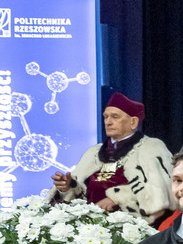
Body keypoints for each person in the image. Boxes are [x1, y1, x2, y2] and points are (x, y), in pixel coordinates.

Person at [48, 91, 174, 224]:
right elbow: (82, 194)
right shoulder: (94, 152)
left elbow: (161, 191)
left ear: (133, 122)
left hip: (132, 226)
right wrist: (68, 187)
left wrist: (118, 198)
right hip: (89, 226)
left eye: (115, 117)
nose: (108, 122)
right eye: (106, 117)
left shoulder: (151, 147)